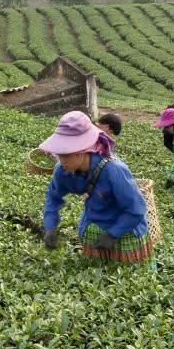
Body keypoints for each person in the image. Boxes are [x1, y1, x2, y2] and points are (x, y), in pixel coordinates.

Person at [41, 111, 152, 262]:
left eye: (66, 154)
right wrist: (49, 226)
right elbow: (53, 196)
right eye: (59, 154)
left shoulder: (114, 170)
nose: (62, 160)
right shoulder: (63, 170)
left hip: (126, 230)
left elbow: (136, 209)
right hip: (94, 223)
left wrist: (113, 233)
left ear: (81, 151)